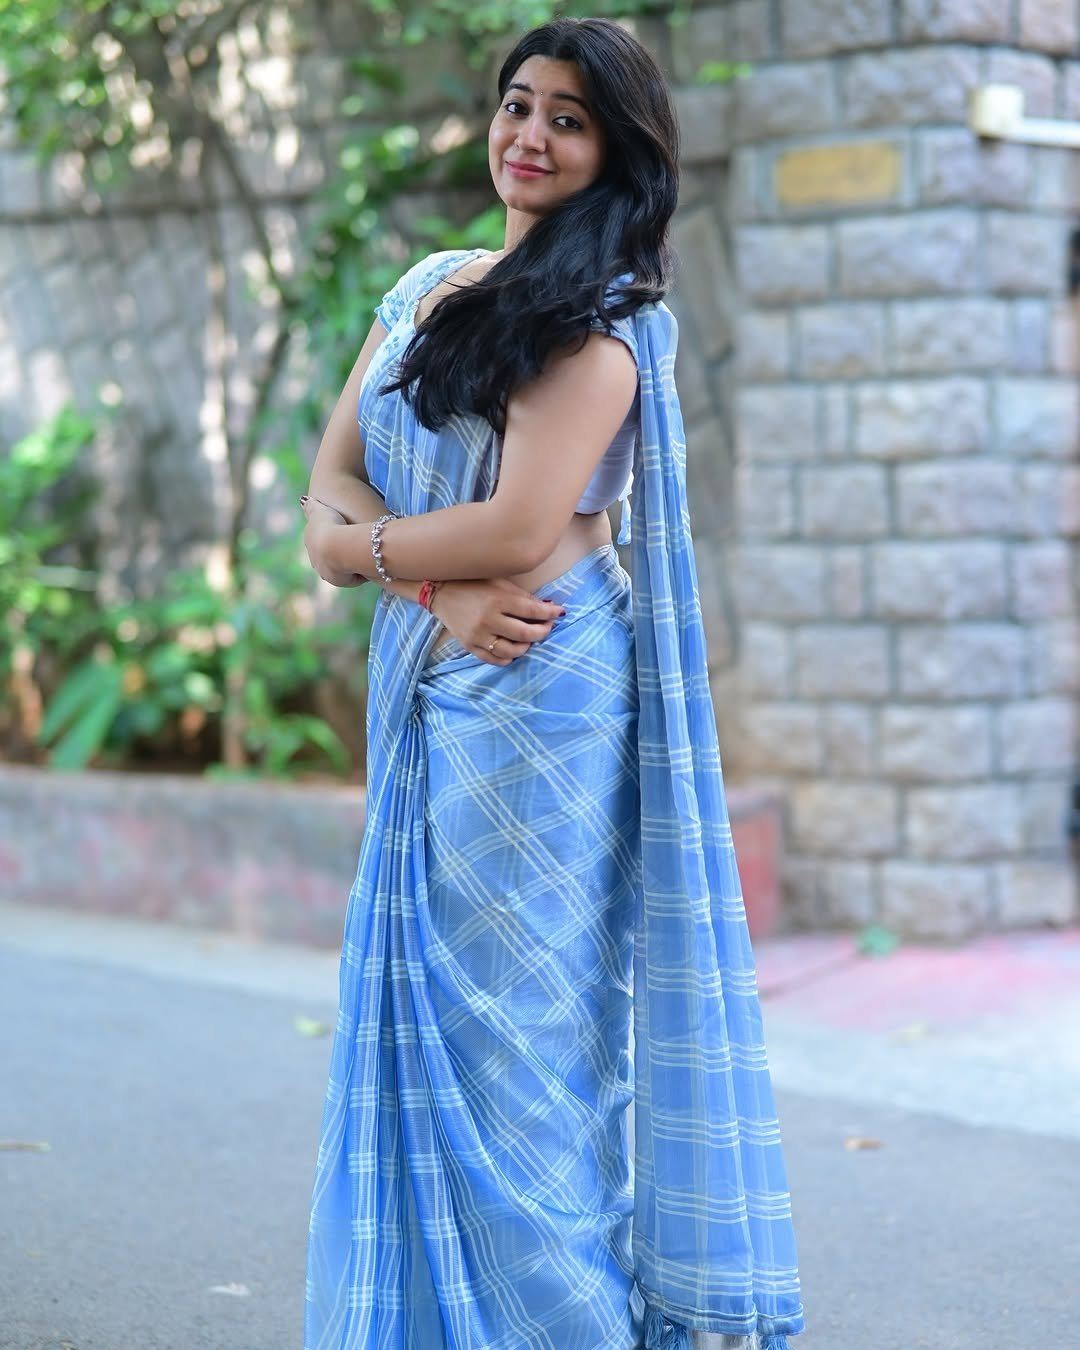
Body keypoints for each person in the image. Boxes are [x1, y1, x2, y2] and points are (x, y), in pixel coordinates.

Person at [300, 17, 806, 1350]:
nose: (527, 136)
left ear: (616, 152)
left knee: (516, 1039)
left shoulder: (601, 328)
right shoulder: (425, 287)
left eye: (567, 118)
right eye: (517, 104)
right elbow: (324, 492)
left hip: (540, 691)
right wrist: (423, 582)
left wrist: (397, 562)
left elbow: (521, 531)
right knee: (438, 1018)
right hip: (445, 658)